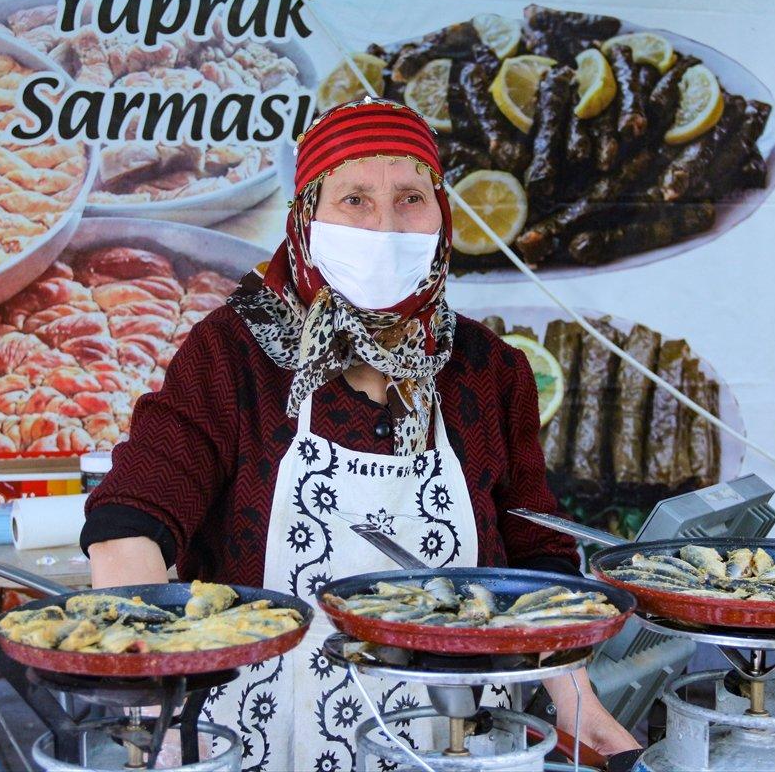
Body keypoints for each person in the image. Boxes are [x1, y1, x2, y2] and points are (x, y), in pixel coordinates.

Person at [81, 98, 640, 769]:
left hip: (458, 738)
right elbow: (131, 522)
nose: (385, 226)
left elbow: (535, 563)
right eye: (354, 200)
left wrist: (581, 709)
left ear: (442, 214)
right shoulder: (232, 355)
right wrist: (153, 703)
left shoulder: (488, 369)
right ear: (306, 217)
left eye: (410, 199)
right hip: (260, 740)